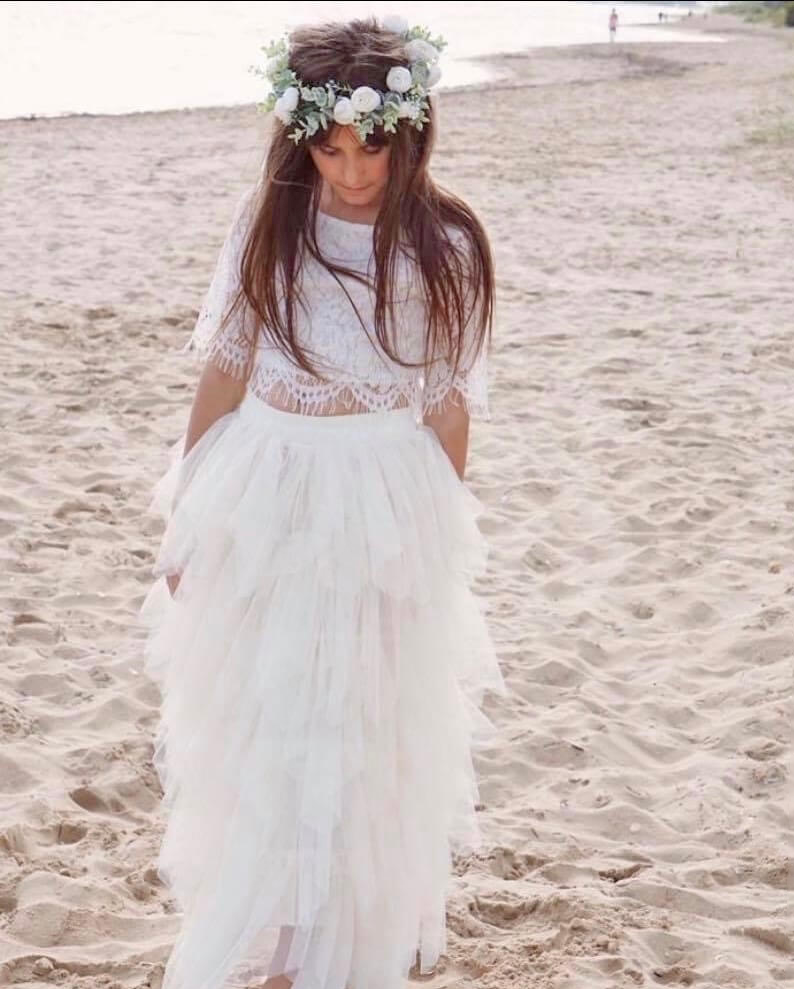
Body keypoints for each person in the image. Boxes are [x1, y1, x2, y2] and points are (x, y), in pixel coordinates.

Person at [136, 14, 508, 989]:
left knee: (364, 716)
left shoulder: (447, 241)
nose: (351, 172)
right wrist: (187, 516)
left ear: (411, 131)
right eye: (331, 147)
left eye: (372, 147)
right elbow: (223, 369)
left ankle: (320, 949)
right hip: (266, 482)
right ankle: (276, 925)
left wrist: (438, 535)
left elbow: (445, 401)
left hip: (382, 489)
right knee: (269, 710)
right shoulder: (269, 225)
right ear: (300, 136)